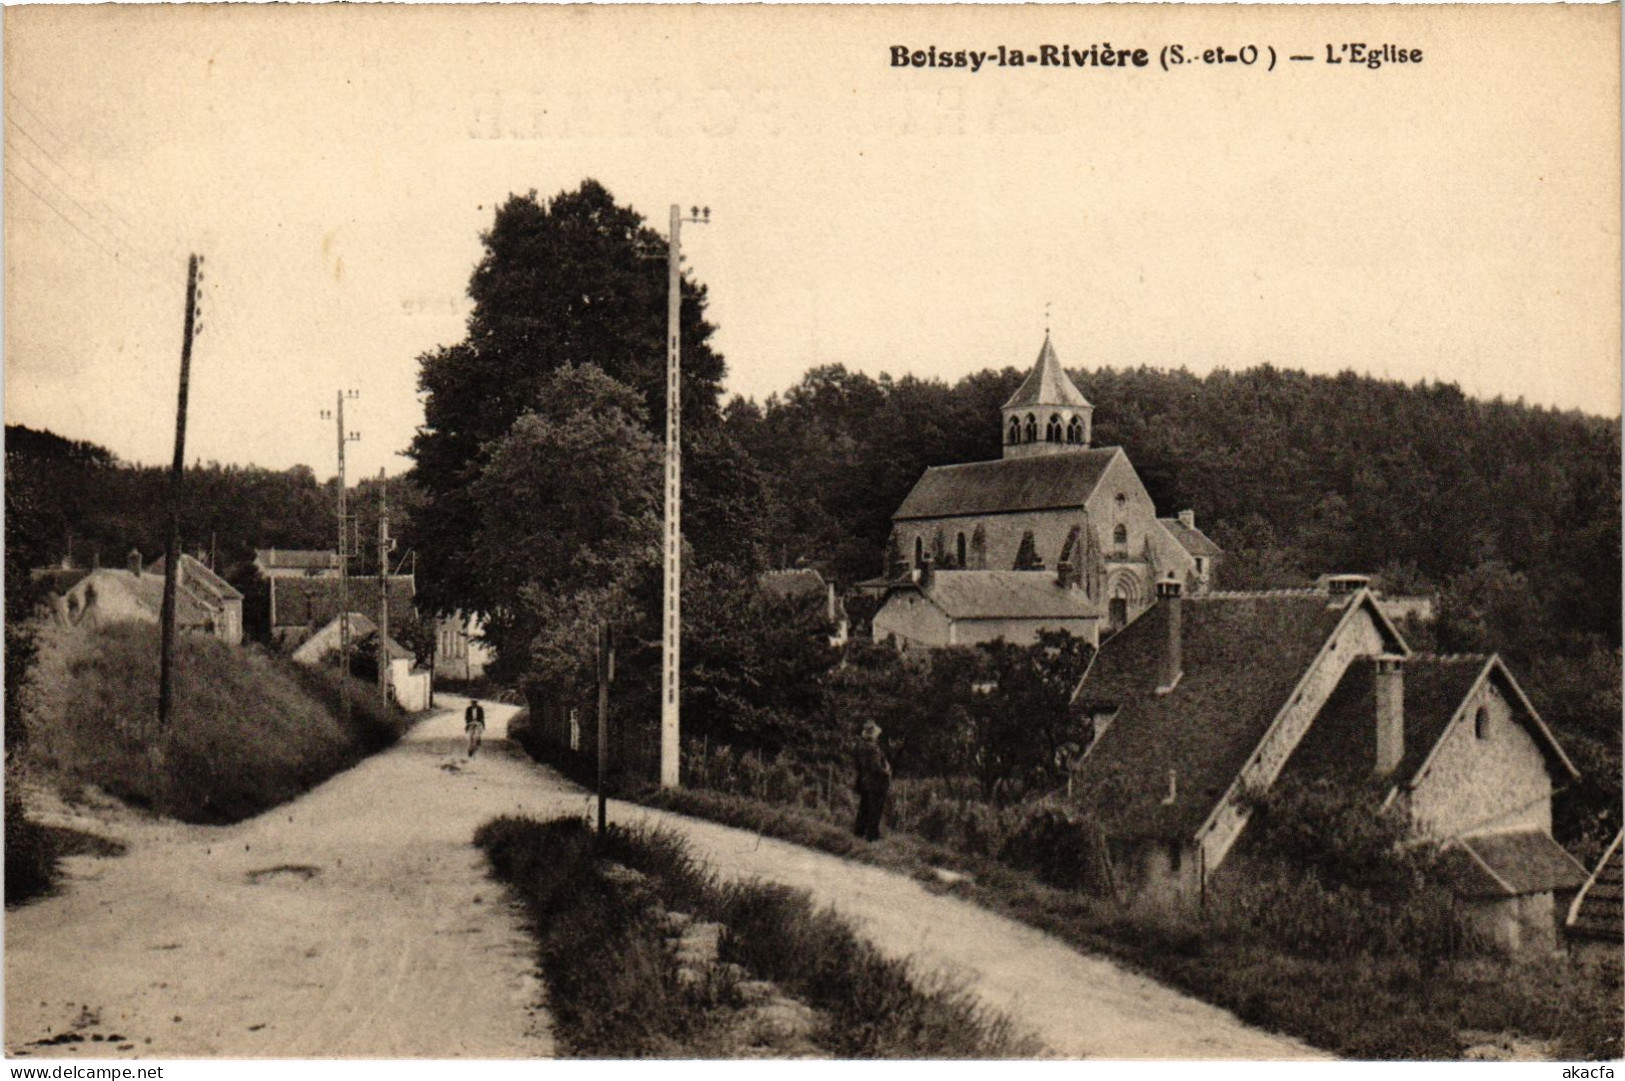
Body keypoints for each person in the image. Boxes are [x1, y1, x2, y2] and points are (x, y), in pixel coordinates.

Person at [852, 720, 891, 841]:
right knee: (875, 810)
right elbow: (876, 767)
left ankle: (858, 832)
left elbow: (857, 764)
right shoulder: (873, 748)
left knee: (864, 808)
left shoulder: (859, 745)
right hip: (876, 783)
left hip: (864, 781)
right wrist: (887, 771)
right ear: (873, 734)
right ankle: (872, 836)